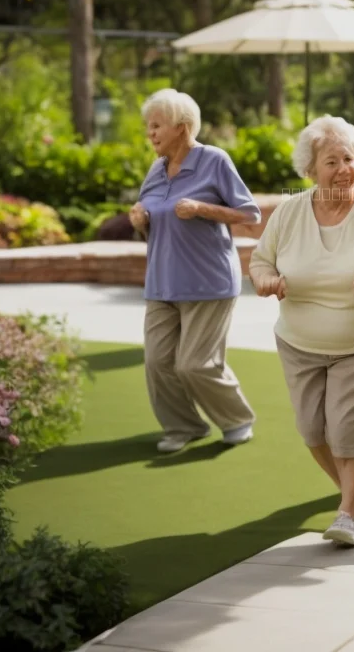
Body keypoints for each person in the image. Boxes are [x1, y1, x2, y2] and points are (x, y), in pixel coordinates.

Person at [248, 115, 354, 547]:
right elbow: (259, 261)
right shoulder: (289, 212)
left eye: (350, 158)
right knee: (313, 431)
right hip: (300, 342)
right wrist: (266, 280)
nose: (344, 168)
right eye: (332, 161)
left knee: (347, 430)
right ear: (310, 169)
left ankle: (348, 513)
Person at [129, 88, 261, 453]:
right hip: (162, 282)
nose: (150, 133)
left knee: (194, 364)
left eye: (157, 125)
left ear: (182, 127)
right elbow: (150, 219)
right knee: (158, 363)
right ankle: (184, 426)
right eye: (148, 126)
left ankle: (237, 419)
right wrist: (139, 220)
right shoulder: (156, 170)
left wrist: (205, 209)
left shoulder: (214, 161)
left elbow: (251, 215)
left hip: (208, 281)